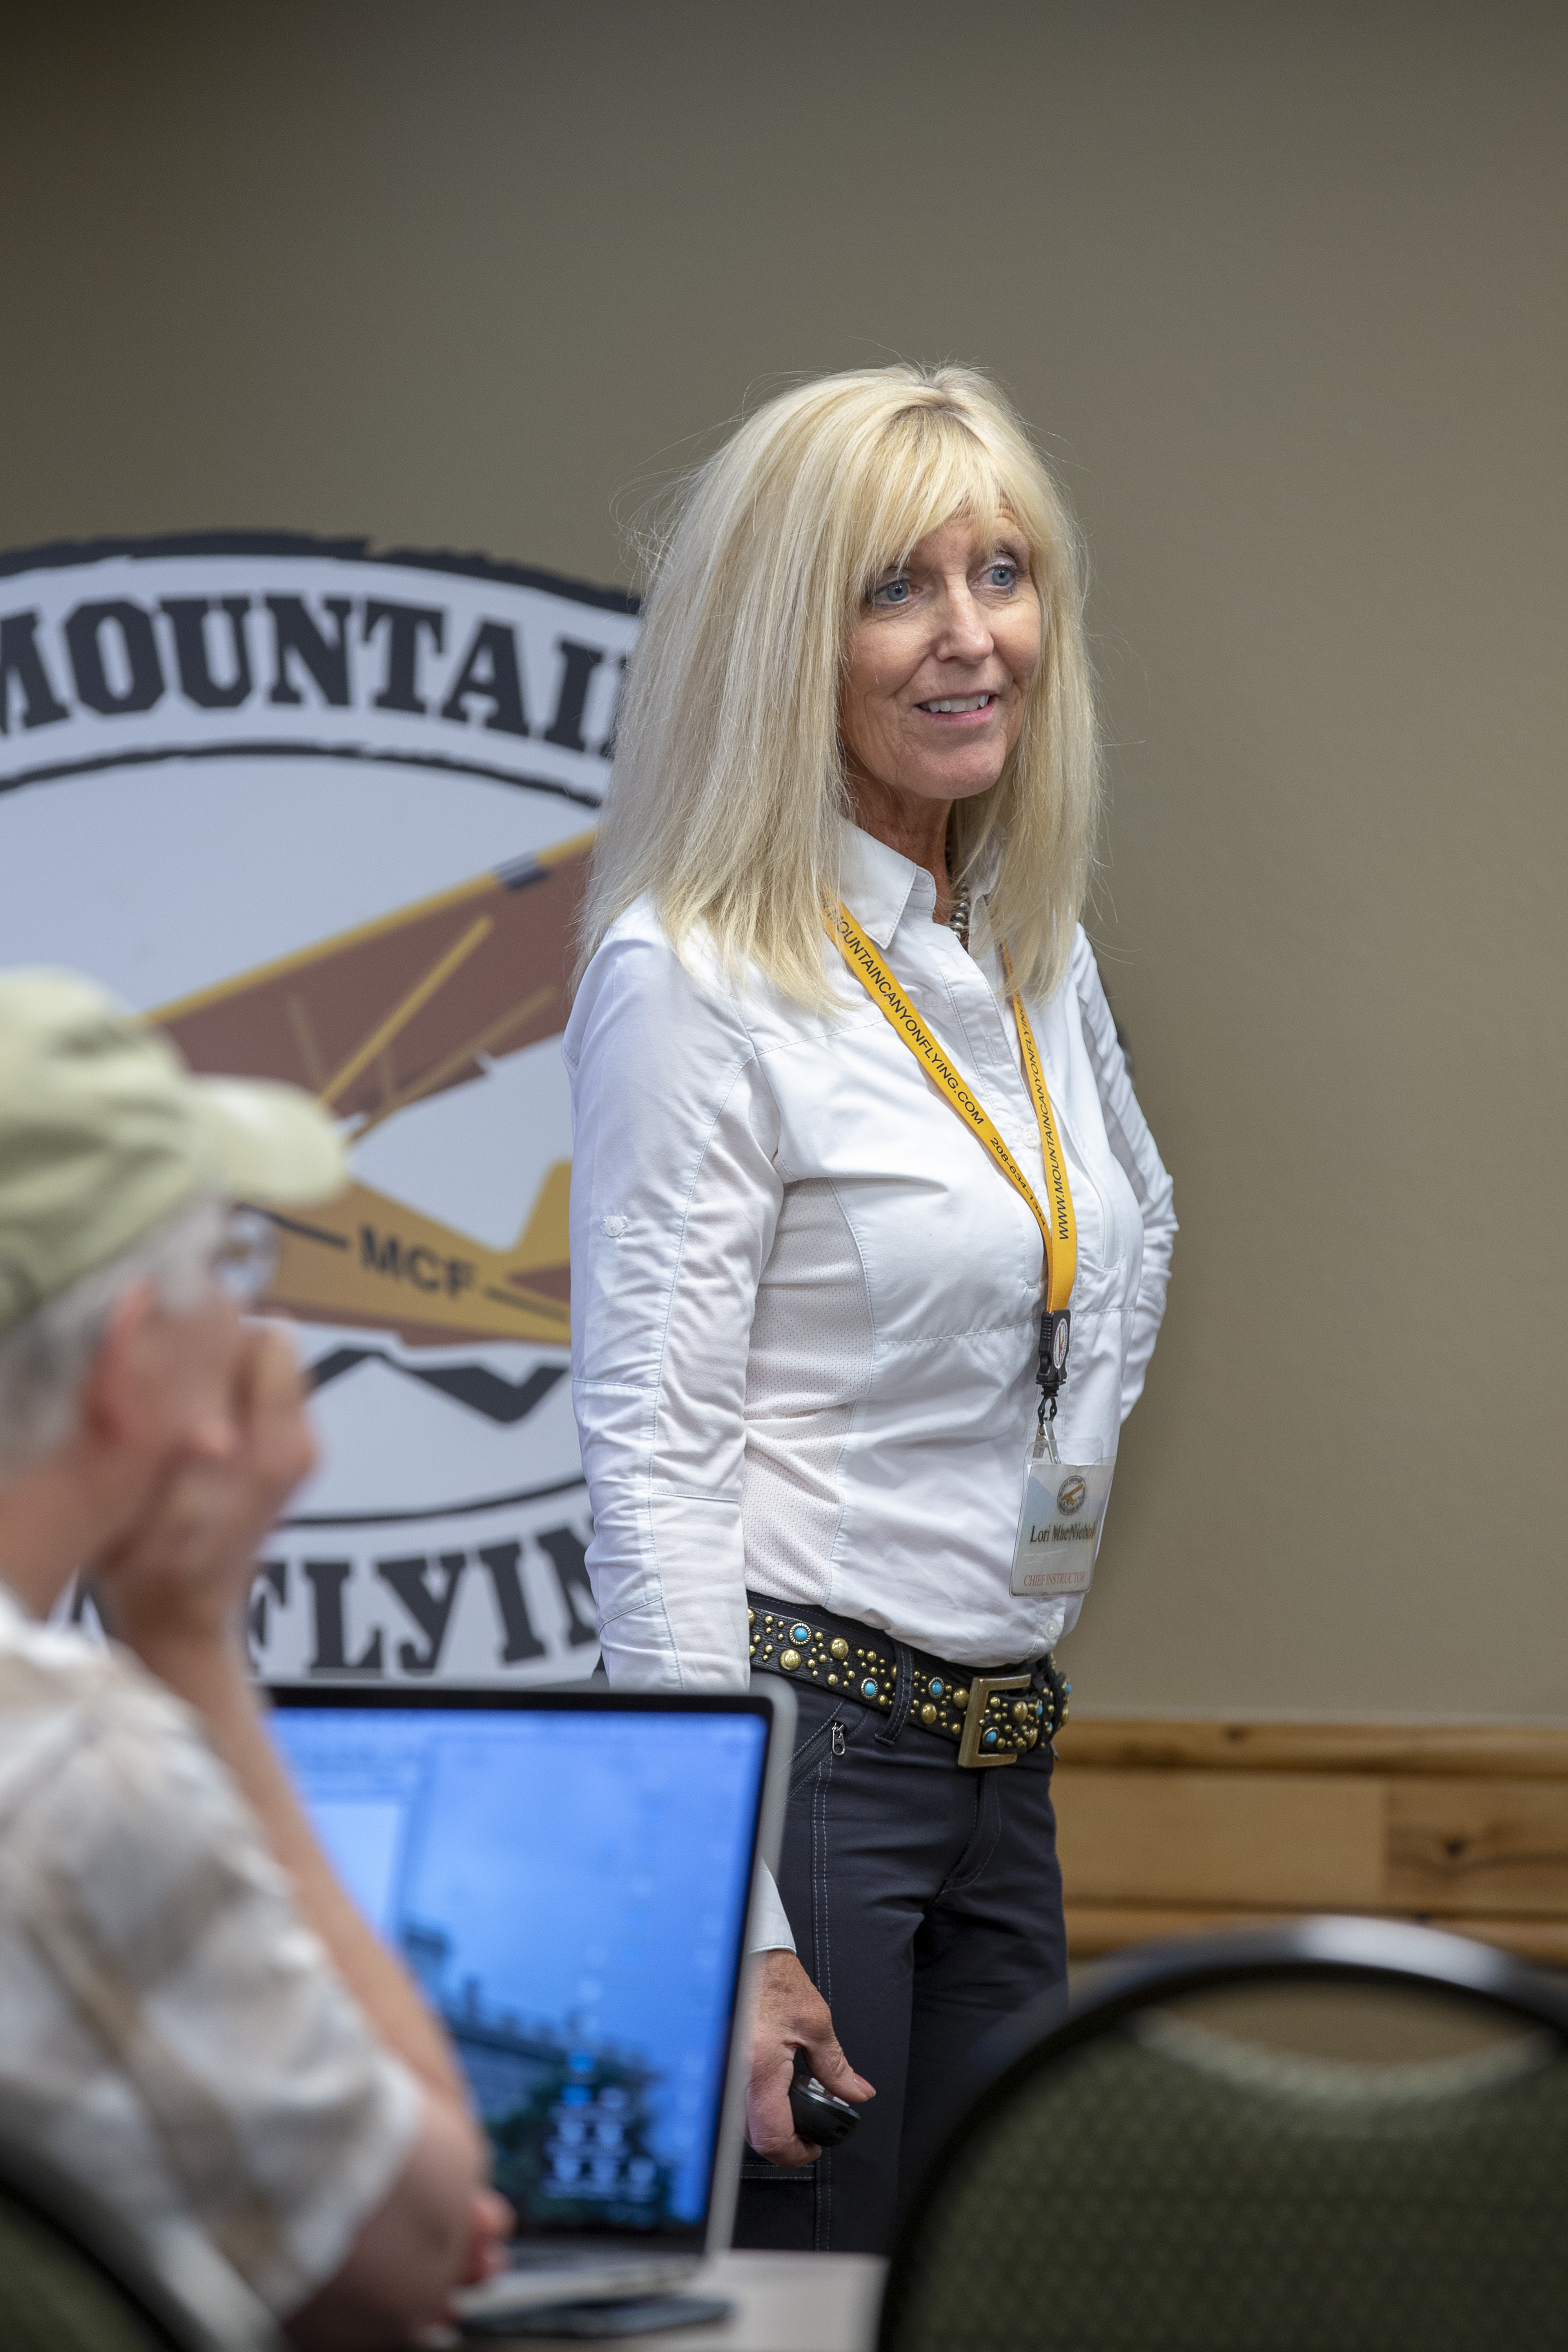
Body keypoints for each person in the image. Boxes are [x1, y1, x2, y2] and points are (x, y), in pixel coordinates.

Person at [565, 364, 1177, 2254]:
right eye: (895, 587)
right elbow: (653, 1463)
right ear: (780, 642)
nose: (971, 634)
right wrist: (728, 1921)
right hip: (808, 1767)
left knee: (998, 2290)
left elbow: (1115, 1251)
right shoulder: (691, 979)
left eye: (1003, 571)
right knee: (823, 2307)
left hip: (1003, 1753)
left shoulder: (1025, 944)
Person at [0, 970, 512, 2343]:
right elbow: (415, 2243)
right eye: (227, 1265)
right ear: (127, 1362)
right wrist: (188, 1644)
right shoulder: (71, 1770)